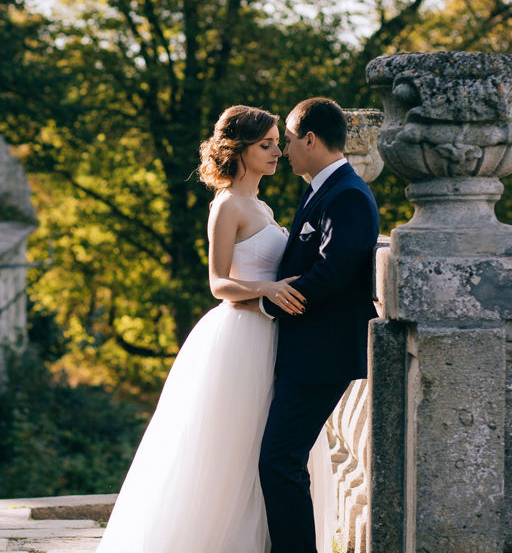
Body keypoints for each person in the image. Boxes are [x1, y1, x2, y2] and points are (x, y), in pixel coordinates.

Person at [96, 105, 303, 552]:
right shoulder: (227, 205)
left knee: (261, 451)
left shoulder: (261, 205)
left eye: (275, 143)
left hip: (270, 337)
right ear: (240, 150)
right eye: (265, 145)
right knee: (230, 450)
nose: (276, 152)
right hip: (240, 338)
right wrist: (265, 289)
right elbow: (217, 283)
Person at [257, 98, 380, 553]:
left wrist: (270, 304)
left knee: (279, 460)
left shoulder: (346, 193)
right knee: (283, 458)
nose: (284, 150)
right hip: (306, 352)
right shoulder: (320, 189)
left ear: (310, 138)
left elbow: (333, 272)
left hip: (321, 356)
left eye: (287, 141)